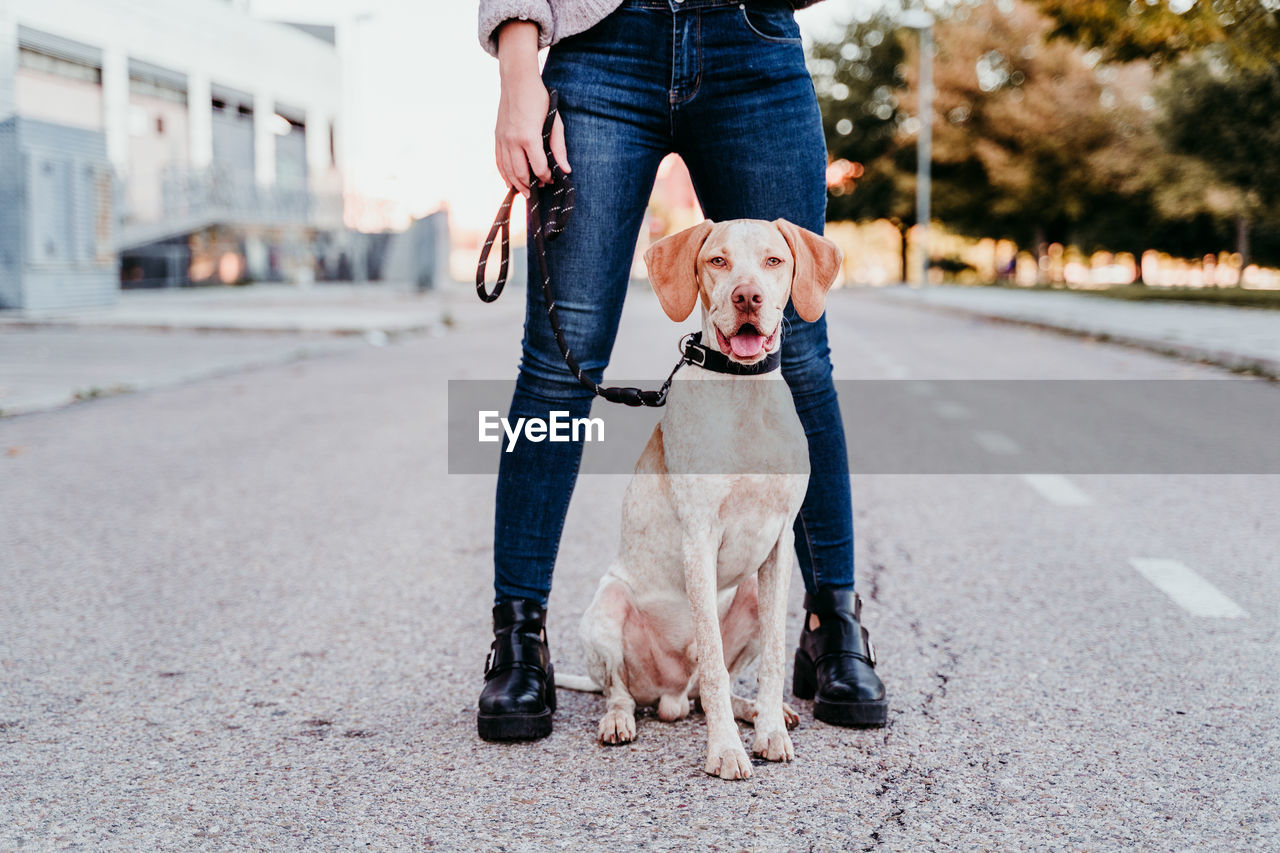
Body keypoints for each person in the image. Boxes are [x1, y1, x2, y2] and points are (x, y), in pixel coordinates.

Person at [475, 0, 888, 742]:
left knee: (796, 353)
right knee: (558, 364)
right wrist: (517, 70)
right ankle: (518, 635)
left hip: (750, 40)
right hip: (600, 46)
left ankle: (831, 623)